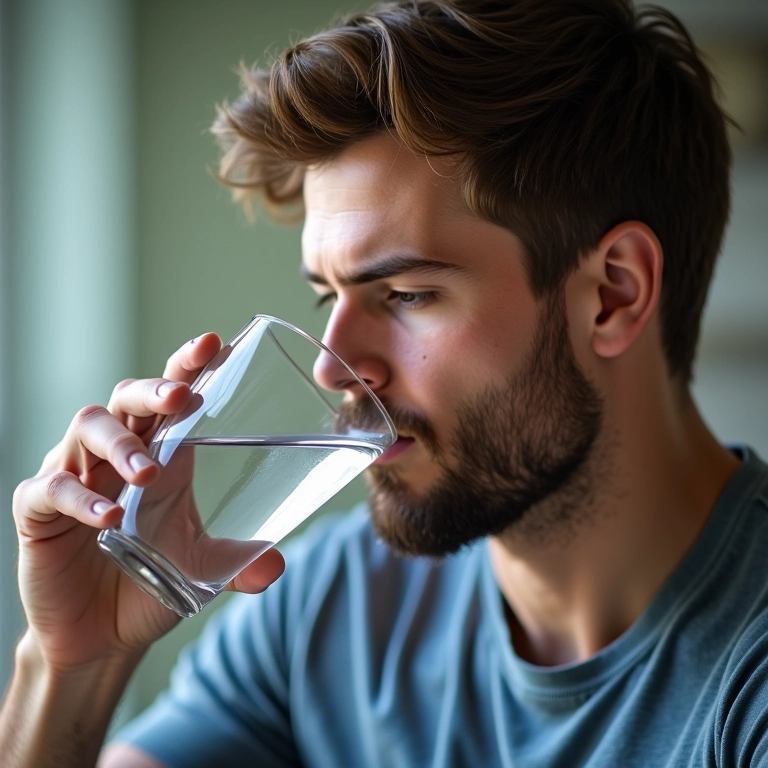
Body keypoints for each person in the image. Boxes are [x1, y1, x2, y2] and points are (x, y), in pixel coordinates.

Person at [2, 0, 767, 765]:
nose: (333, 366)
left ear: (613, 295)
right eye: (326, 297)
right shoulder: (331, 609)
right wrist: (72, 665)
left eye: (405, 295)